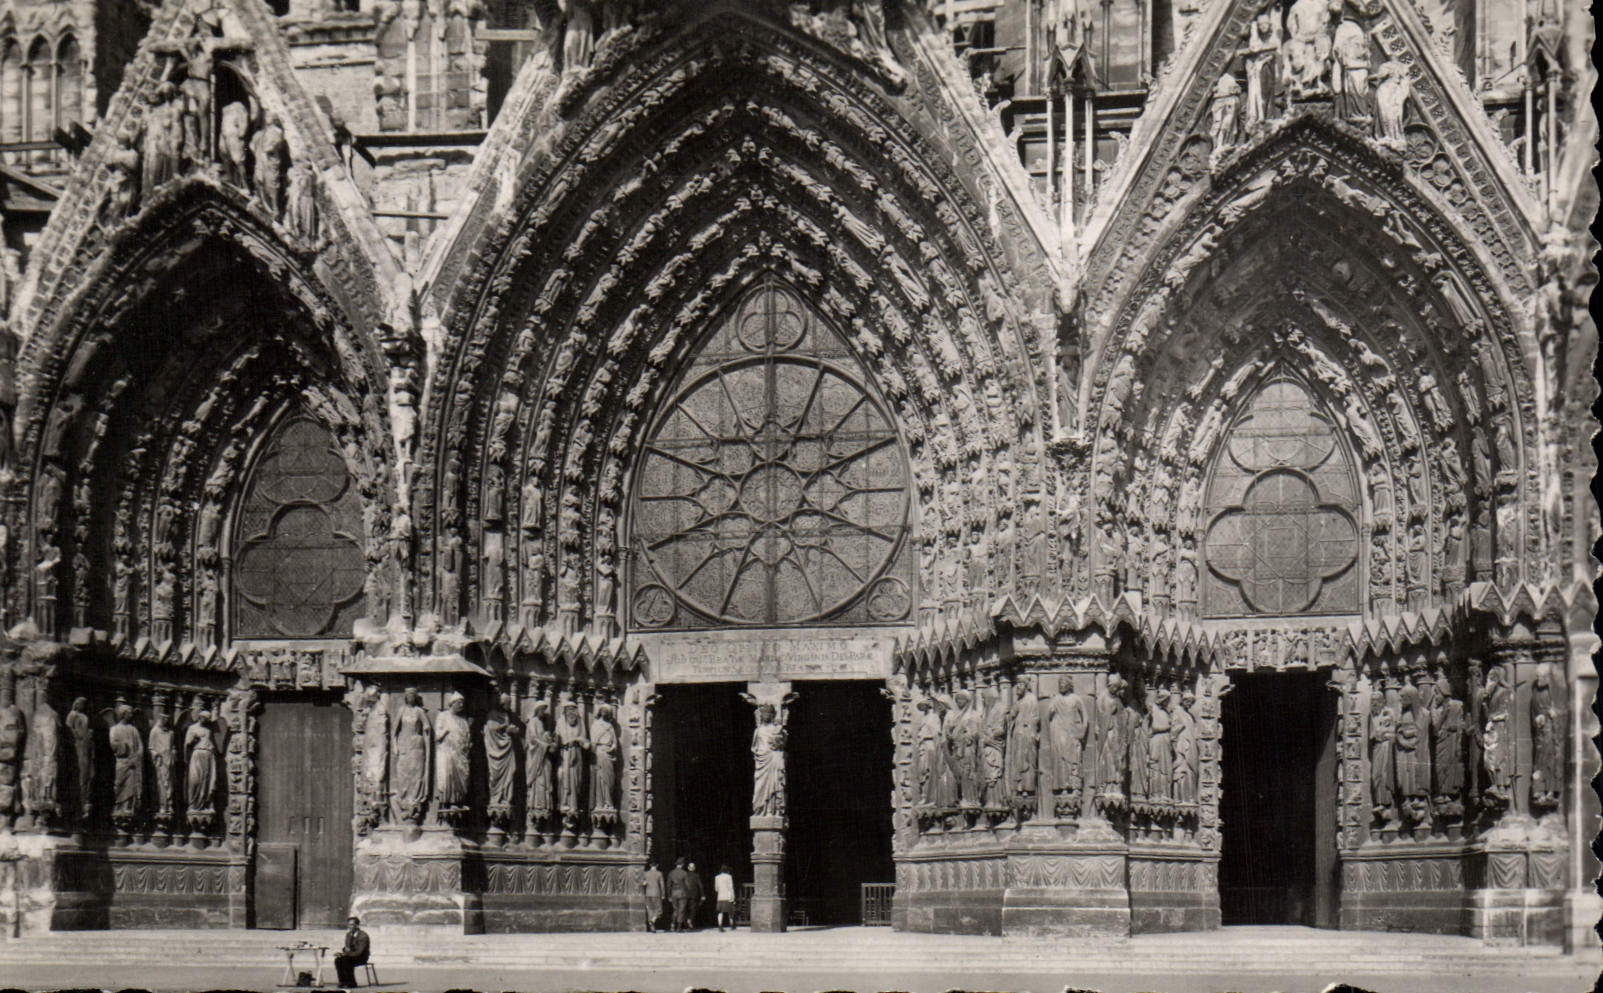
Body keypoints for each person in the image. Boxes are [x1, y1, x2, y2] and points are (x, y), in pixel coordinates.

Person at [333, 915, 370, 988]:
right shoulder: (348, 934)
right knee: (338, 960)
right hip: (351, 955)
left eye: (352, 925)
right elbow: (347, 947)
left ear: (357, 925)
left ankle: (351, 982)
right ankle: (343, 981)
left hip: (361, 957)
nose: (349, 927)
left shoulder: (363, 936)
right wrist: (342, 953)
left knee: (346, 960)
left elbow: (359, 952)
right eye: (349, 924)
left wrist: (347, 953)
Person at [667, 857, 692, 932]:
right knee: (681, 910)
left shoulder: (671, 873)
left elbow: (668, 885)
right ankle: (679, 927)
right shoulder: (684, 873)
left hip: (674, 893)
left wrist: (669, 895)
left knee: (675, 910)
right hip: (682, 893)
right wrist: (689, 893)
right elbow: (687, 884)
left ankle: (672, 925)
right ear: (682, 864)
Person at [641, 860, 666, 932]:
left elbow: (643, 883)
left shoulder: (646, 873)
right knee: (659, 910)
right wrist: (663, 894)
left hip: (648, 893)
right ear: (657, 866)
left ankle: (652, 926)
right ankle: (653, 920)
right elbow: (662, 885)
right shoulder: (659, 874)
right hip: (656, 893)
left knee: (650, 909)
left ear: (650, 865)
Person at [714, 864, 735, 932]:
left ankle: (720, 925)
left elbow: (716, 888)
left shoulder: (717, 877)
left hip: (720, 897)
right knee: (730, 911)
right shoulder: (729, 877)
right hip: (727, 896)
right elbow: (731, 887)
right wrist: (733, 897)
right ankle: (731, 925)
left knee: (720, 912)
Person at [685, 862, 706, 931]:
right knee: (693, 909)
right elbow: (700, 886)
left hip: (685, 894)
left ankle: (687, 923)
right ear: (694, 868)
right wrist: (702, 895)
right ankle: (690, 920)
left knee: (685, 909)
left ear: (688, 868)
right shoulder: (696, 875)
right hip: (694, 894)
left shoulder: (684, 874)